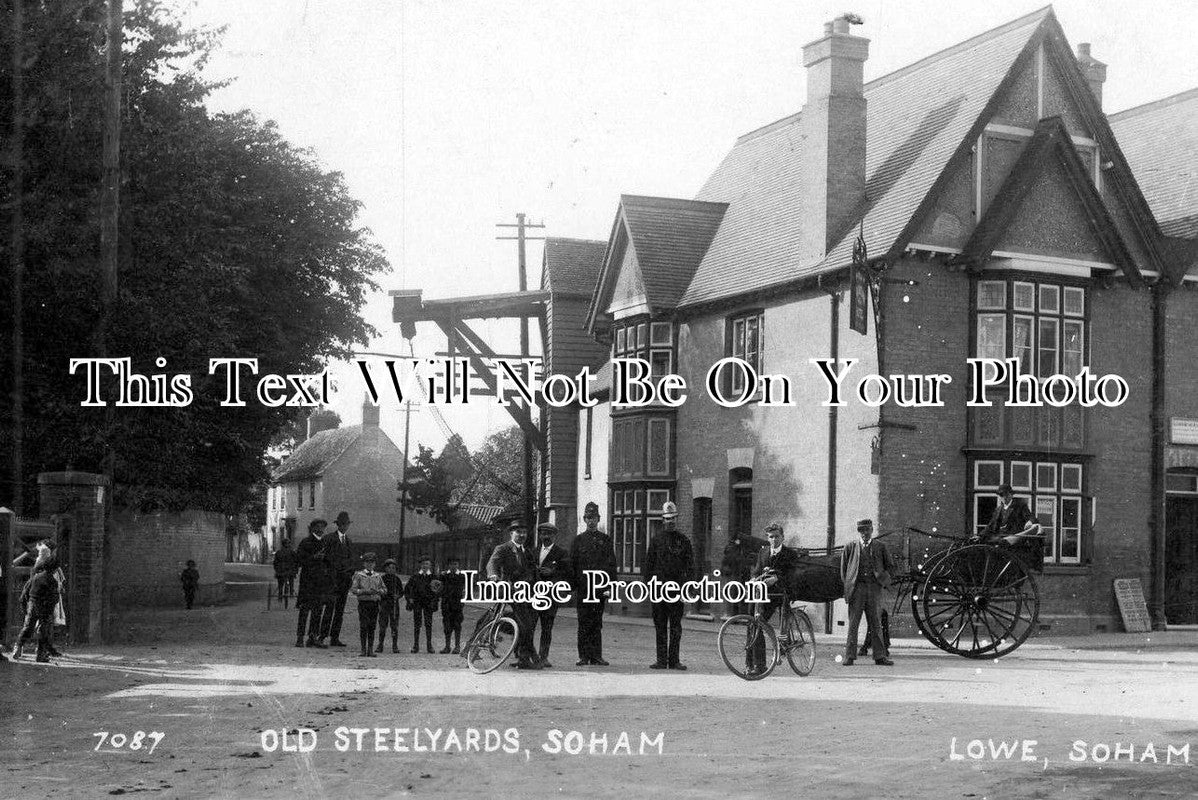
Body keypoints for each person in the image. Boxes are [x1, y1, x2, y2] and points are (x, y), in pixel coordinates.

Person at [747, 523, 803, 677]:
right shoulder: (763, 552)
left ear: (782, 537)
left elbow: (793, 575)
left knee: (759, 622)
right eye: (771, 537)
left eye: (777, 536)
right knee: (753, 621)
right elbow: (757, 571)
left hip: (782, 593)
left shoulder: (789, 554)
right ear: (768, 538)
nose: (774, 540)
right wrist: (753, 579)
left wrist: (776, 578)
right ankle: (754, 664)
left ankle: (761, 663)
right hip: (766, 594)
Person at [643, 501, 694, 671]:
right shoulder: (656, 540)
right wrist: (649, 588)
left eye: (673, 518)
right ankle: (660, 660)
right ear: (663, 520)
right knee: (660, 626)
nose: (670, 521)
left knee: (676, 626)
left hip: (676, 590)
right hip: (659, 590)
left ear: (676, 519)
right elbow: (648, 566)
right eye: (667, 519)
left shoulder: (683, 541)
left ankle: (674, 660)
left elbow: (690, 566)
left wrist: (689, 587)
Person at [840, 518, 895, 666]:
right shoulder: (850, 547)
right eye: (861, 530)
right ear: (858, 532)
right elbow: (844, 570)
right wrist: (850, 586)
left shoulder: (880, 546)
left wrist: (882, 581)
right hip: (857, 590)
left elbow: (890, 566)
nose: (864, 533)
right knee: (853, 624)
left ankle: (880, 656)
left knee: (876, 623)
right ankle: (849, 656)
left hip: (874, 589)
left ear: (872, 530)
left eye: (867, 530)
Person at [487, 521, 540, 669]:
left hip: (525, 593)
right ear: (511, 534)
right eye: (518, 532)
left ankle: (524, 658)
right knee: (523, 624)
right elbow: (492, 563)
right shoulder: (503, 548)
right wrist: (493, 576)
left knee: (527, 625)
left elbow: (533, 571)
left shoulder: (527, 552)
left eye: (524, 532)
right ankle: (530, 657)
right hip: (507, 590)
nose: (522, 535)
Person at [569, 502, 616, 666]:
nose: (591, 521)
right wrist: (572, 587)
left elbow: (611, 566)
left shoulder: (605, 540)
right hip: (583, 589)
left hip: (599, 590)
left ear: (598, 519)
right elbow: (572, 566)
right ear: (584, 519)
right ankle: (583, 656)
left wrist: (610, 588)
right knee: (583, 622)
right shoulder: (578, 541)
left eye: (594, 518)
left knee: (596, 622)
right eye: (588, 518)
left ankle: (596, 656)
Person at [530, 522, 569, 668]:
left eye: (549, 534)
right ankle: (527, 655)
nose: (545, 536)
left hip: (551, 596)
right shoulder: (532, 552)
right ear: (539, 535)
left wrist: (553, 572)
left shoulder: (561, 553)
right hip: (534, 595)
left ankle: (543, 656)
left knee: (547, 628)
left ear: (554, 535)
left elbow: (568, 572)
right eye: (543, 533)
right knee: (530, 626)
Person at [295, 519, 333, 648]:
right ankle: (300, 637)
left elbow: (330, 561)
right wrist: (313, 558)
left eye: (323, 527)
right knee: (304, 610)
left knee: (317, 611)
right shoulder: (306, 542)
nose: (320, 529)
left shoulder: (326, 543)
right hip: (308, 581)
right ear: (312, 528)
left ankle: (313, 637)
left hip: (321, 582)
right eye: (317, 527)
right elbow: (299, 560)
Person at [12, 558, 58, 662]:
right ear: (54, 570)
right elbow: (54, 598)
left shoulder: (35, 578)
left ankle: (18, 648)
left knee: (27, 628)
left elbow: (25, 593)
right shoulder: (53, 581)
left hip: (32, 604)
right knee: (43, 631)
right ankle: (40, 655)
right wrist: (50, 612)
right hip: (44, 607)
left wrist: (25, 607)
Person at [324, 511, 355, 648]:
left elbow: (351, 561)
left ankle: (334, 637)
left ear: (348, 525)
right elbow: (325, 559)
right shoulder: (329, 539)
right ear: (338, 525)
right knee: (329, 609)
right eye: (341, 524)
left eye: (346, 524)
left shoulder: (348, 541)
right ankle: (322, 636)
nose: (344, 526)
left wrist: (349, 575)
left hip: (343, 581)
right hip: (331, 580)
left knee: (340, 611)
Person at [350, 552, 387, 657]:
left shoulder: (377, 576)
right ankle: (363, 649)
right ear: (364, 564)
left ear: (374, 564)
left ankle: (370, 649)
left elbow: (384, 589)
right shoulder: (359, 575)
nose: (370, 564)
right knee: (363, 625)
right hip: (363, 603)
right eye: (367, 562)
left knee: (372, 626)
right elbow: (353, 589)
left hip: (374, 604)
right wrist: (364, 591)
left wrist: (378, 591)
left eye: (372, 562)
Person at [405, 556, 439, 654]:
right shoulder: (415, 577)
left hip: (428, 603)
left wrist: (434, 601)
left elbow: (437, 591)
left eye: (427, 564)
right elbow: (408, 589)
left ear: (430, 566)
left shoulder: (433, 577)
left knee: (428, 624)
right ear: (420, 565)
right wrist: (410, 599)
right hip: (417, 603)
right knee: (417, 624)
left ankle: (429, 645)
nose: (425, 566)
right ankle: (416, 645)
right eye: (423, 564)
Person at [720, 532, 755, 619]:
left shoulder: (736, 547)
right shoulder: (732, 548)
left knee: (739, 594)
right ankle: (735, 615)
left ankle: (739, 614)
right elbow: (734, 559)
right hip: (734, 575)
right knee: (736, 594)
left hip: (739, 574)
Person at [438, 557, 466, 654]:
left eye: (455, 564)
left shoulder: (462, 576)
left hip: (457, 604)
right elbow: (439, 587)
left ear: (458, 565)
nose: (454, 566)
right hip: (446, 604)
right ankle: (447, 646)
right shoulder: (444, 576)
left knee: (457, 625)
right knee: (447, 625)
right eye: (451, 564)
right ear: (448, 566)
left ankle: (457, 646)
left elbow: (465, 590)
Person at [377, 558, 404, 654]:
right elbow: (378, 590)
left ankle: (394, 645)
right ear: (385, 568)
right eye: (389, 568)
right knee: (382, 626)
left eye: (393, 568)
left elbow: (401, 592)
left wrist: (398, 596)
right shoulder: (381, 579)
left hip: (394, 605)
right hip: (384, 604)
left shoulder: (397, 579)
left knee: (394, 626)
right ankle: (380, 645)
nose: (391, 570)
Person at [273, 539, 299, 606]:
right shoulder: (292, 552)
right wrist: (296, 570)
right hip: (290, 571)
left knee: (280, 584)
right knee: (291, 580)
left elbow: (275, 563)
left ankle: (280, 595)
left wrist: (276, 570)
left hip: (281, 571)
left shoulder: (279, 552)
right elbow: (296, 562)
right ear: (288, 544)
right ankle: (291, 592)